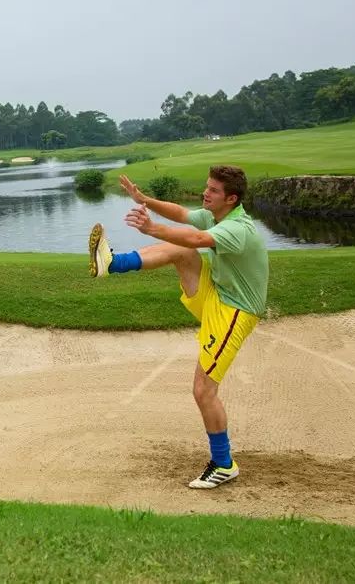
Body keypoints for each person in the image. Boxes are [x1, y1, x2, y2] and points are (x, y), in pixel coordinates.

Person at [89, 166, 268, 488]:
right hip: (216, 295)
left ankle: (224, 464)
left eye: (213, 190)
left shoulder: (238, 229)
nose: (205, 193)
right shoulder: (219, 216)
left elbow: (199, 238)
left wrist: (152, 228)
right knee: (183, 253)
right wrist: (144, 199)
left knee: (203, 390)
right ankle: (112, 264)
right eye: (206, 186)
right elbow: (184, 215)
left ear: (231, 198)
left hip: (234, 313)